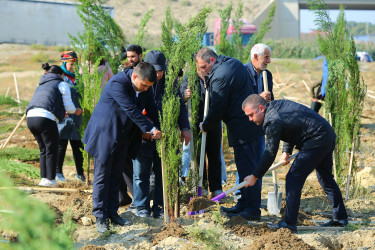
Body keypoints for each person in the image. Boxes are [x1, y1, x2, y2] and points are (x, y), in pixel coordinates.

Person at [242, 94, 348, 232]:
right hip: (327, 134)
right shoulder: (276, 105)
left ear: (261, 108)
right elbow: (293, 126)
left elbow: (269, 153)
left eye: (251, 115)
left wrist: (255, 176)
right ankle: (340, 218)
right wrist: (286, 151)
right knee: (326, 178)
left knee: (293, 179)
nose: (250, 119)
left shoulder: (271, 120)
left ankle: (289, 223)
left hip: (316, 139)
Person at [83, 62, 162, 233]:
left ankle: (112, 213)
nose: (146, 89)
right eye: (144, 85)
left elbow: (152, 109)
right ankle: (100, 217)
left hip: (123, 138)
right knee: (102, 177)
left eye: (149, 87)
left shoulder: (144, 89)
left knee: (116, 176)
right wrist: (150, 128)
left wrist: (159, 126)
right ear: (135, 77)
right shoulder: (118, 83)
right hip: (105, 135)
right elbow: (131, 110)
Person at [196, 48, 261, 221]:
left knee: (248, 169)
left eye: (203, 66)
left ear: (211, 60)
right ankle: (243, 204)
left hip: (242, 128)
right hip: (248, 124)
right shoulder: (233, 63)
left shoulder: (220, 76)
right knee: (244, 167)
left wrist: (206, 125)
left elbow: (217, 106)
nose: (202, 70)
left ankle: (252, 209)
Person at [131, 50, 191, 218]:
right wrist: (144, 130)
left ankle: (159, 206)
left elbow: (180, 107)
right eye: (155, 70)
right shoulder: (138, 84)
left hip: (165, 136)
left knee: (162, 173)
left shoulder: (171, 84)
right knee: (141, 174)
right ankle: (141, 207)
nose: (158, 74)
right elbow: (133, 111)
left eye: (161, 70)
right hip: (144, 136)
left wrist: (184, 128)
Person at [26, 63, 82, 187]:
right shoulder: (62, 84)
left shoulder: (42, 83)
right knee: (52, 148)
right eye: (63, 75)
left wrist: (62, 113)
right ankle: (51, 179)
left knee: (43, 149)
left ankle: (44, 179)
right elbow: (69, 106)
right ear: (59, 74)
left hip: (30, 117)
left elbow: (48, 102)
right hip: (45, 118)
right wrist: (76, 111)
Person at [231, 43, 274, 195]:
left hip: (260, 128)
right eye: (266, 57)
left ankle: (255, 194)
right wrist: (257, 98)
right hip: (244, 127)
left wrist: (268, 100)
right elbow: (239, 100)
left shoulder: (267, 75)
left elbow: (270, 102)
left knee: (258, 163)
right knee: (245, 162)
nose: (268, 61)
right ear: (255, 57)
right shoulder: (242, 72)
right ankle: (240, 194)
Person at [180, 72, 224, 196]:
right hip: (196, 120)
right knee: (199, 156)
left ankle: (216, 188)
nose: (205, 69)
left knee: (214, 155)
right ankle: (201, 187)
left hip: (213, 120)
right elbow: (181, 95)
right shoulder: (190, 77)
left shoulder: (216, 76)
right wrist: (184, 95)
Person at [56, 51, 85, 182]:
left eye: (75, 64)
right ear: (64, 63)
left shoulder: (79, 77)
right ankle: (58, 173)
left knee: (78, 147)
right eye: (70, 64)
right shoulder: (59, 77)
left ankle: (81, 174)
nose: (73, 66)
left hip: (77, 117)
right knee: (61, 146)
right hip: (63, 117)